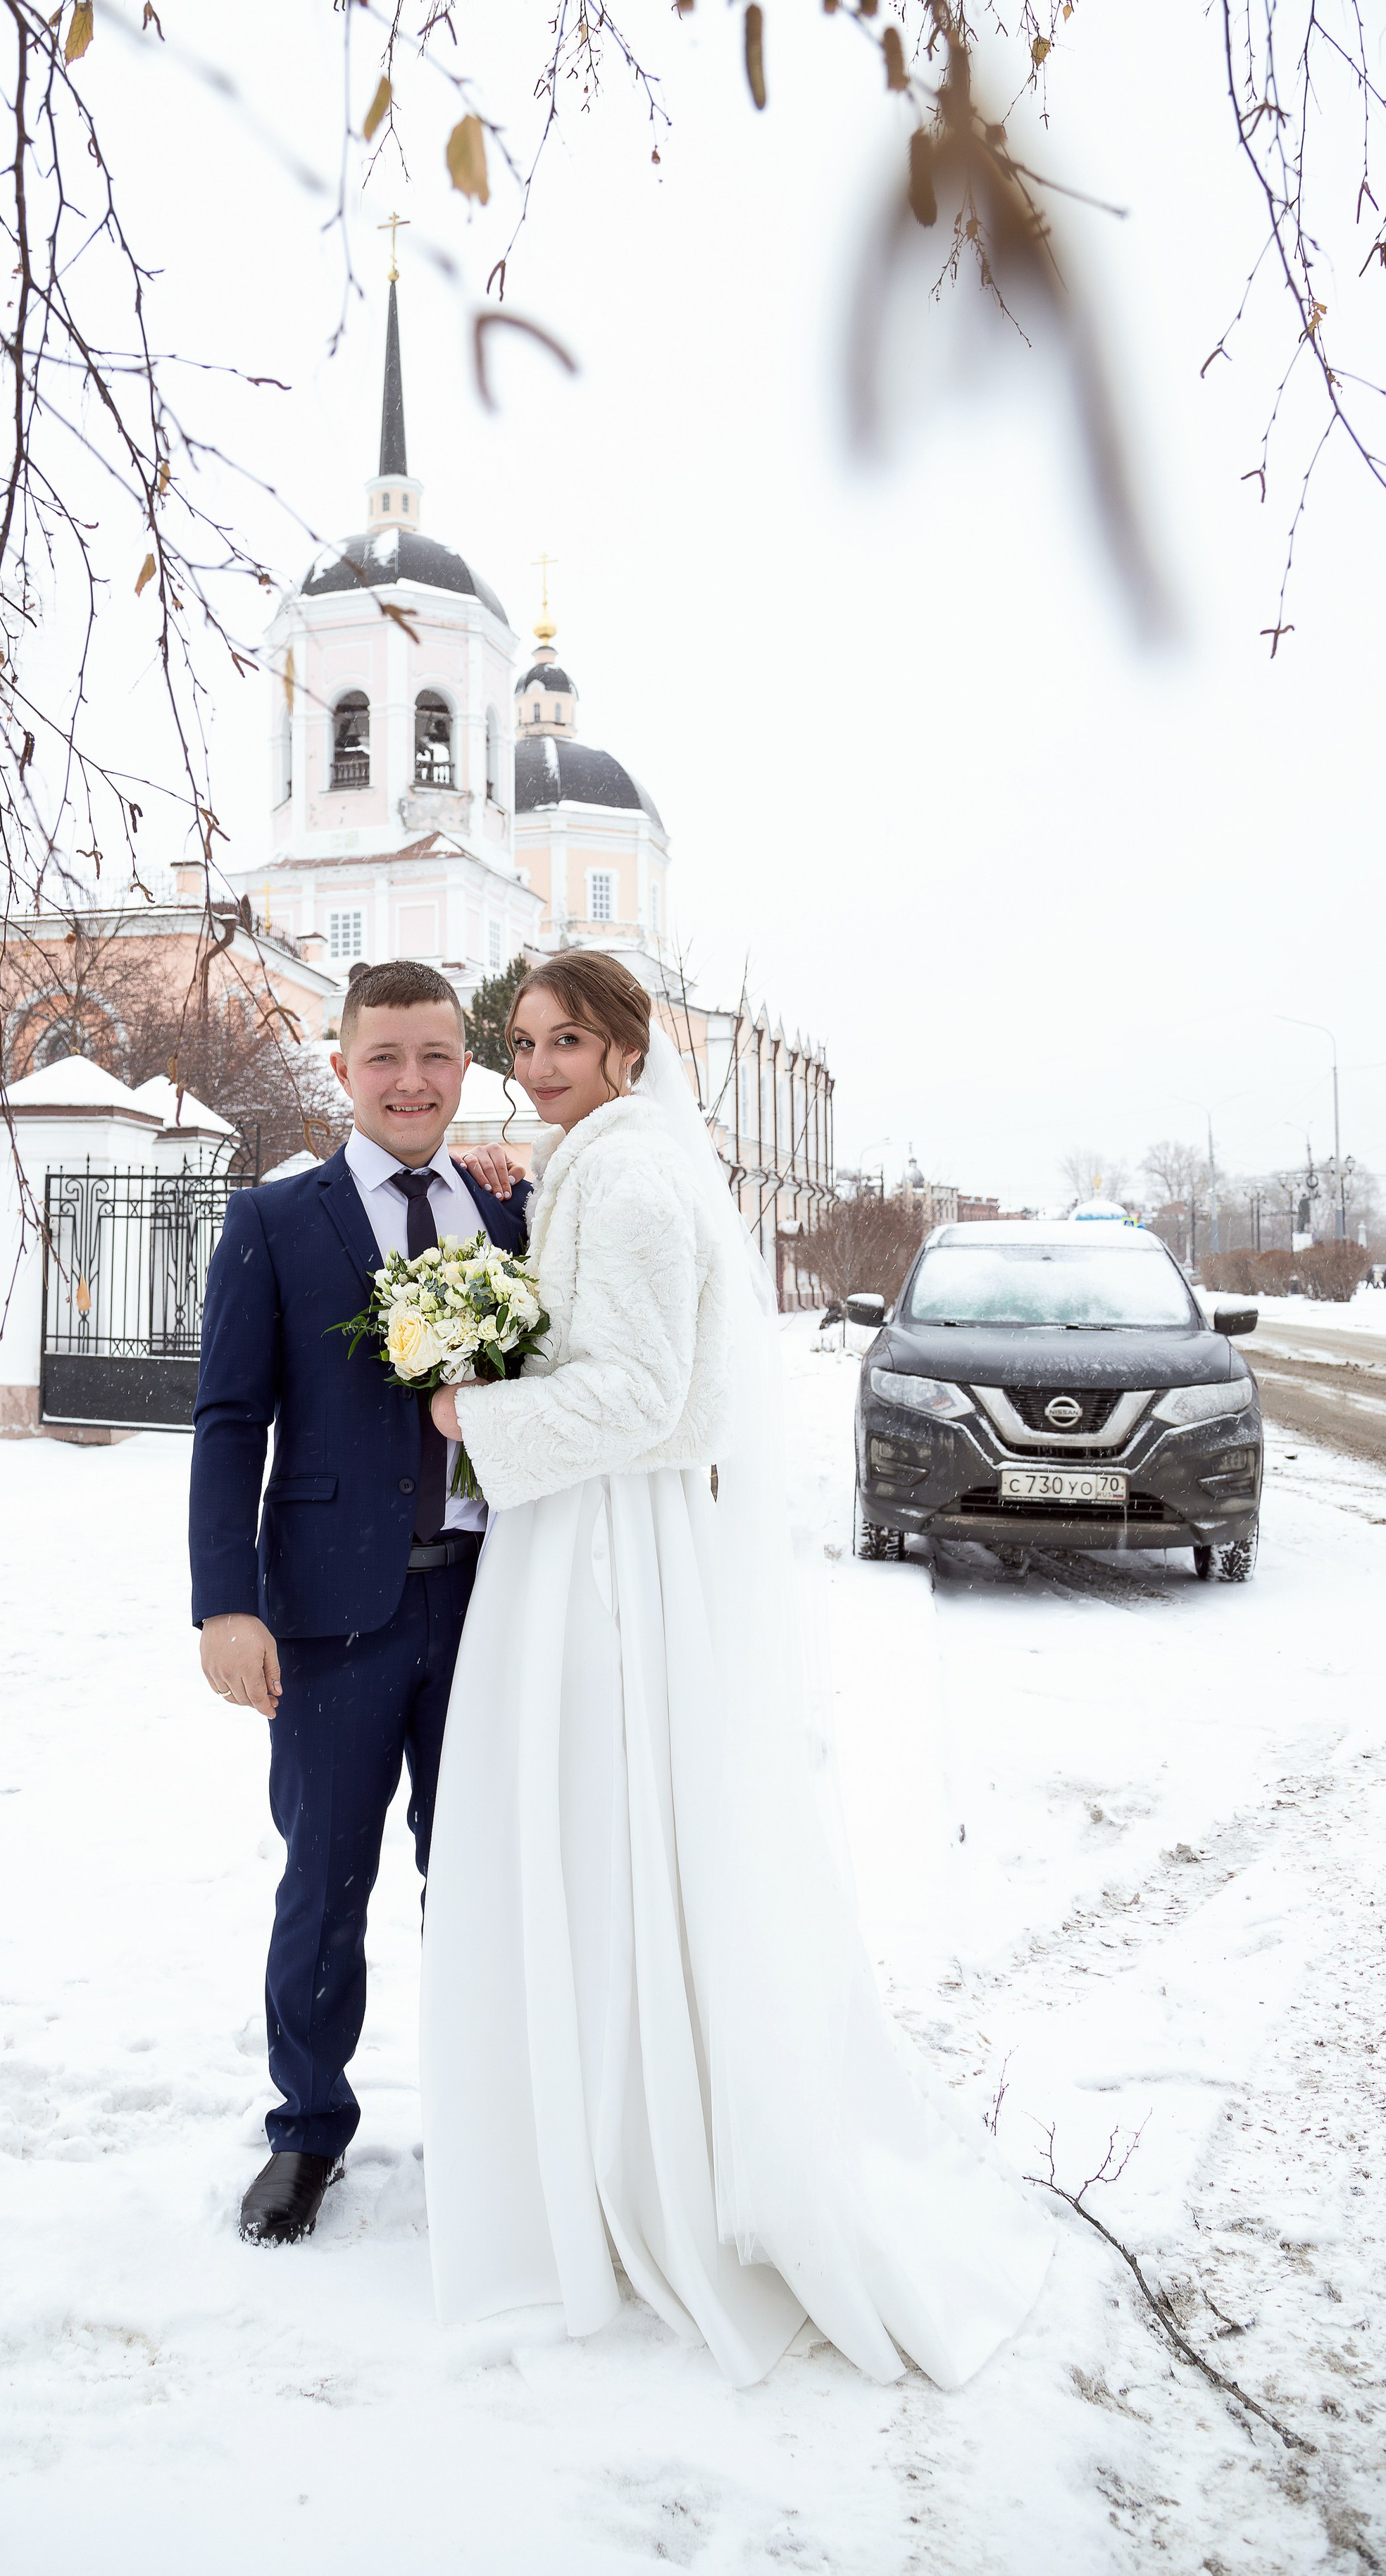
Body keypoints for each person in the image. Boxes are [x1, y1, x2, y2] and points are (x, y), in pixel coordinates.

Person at [420, 951, 1052, 2389]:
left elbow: (642, 1394)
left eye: (564, 1040)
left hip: (604, 1543)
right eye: (521, 1042)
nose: (536, 1066)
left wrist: (474, 1410)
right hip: (582, 1529)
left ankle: (637, 2150)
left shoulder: (632, 1181)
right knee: (606, 1836)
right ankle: (606, 2126)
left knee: (609, 1831)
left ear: (628, 1049)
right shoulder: (607, 1159)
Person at [189, 960, 528, 2248]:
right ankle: (309, 2129)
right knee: (327, 1880)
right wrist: (228, 1604)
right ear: (342, 1069)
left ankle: (485, 2114)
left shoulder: (512, 1213)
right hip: (333, 1619)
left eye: (437, 1056)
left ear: (465, 1068)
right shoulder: (276, 1222)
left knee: (484, 1878)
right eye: (384, 1057)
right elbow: (229, 1423)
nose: (411, 1082)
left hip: (499, 1605)